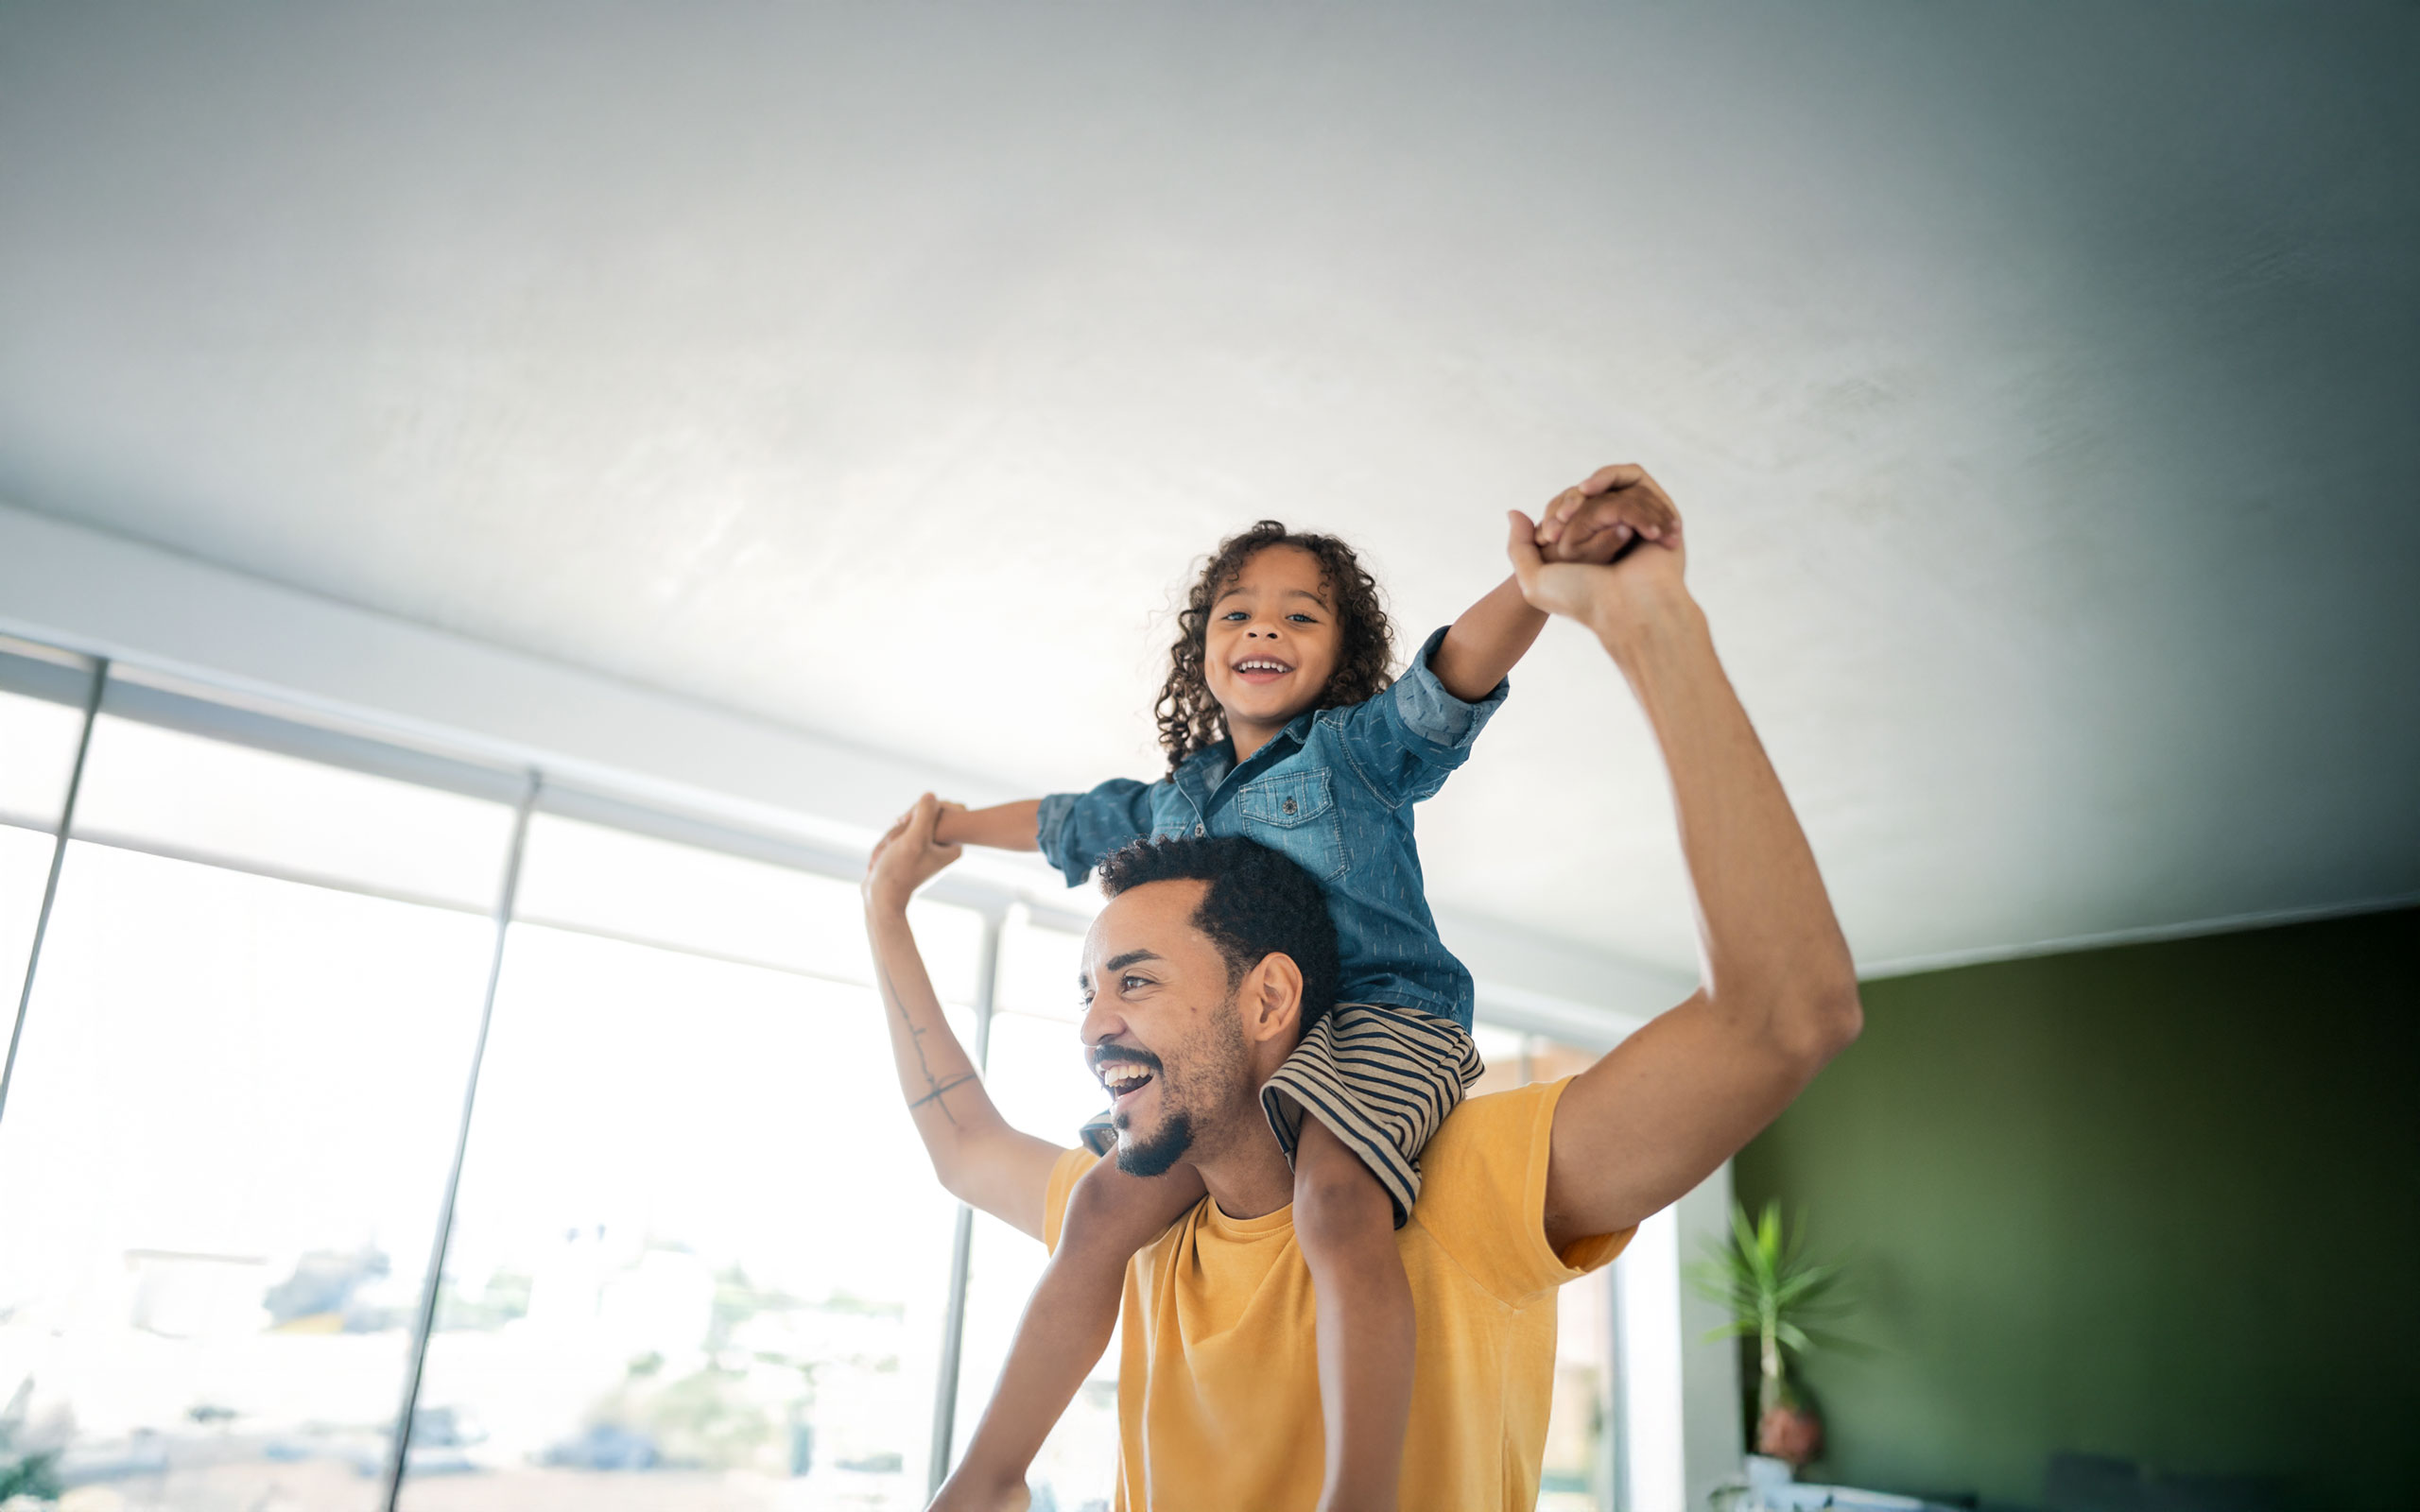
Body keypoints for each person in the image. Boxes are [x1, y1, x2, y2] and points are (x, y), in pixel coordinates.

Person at [862, 465, 1863, 1510]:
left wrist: (1539, 586)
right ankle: (984, 1477)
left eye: (1301, 615)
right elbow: (1069, 822)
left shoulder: (1350, 754)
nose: (1266, 629)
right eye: (1239, 611)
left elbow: (1451, 678)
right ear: (1200, 647)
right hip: (1279, 1072)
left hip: (1387, 1017)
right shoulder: (1176, 804)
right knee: (1102, 1210)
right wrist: (939, 840)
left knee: (1338, 1200)